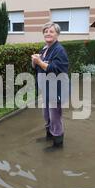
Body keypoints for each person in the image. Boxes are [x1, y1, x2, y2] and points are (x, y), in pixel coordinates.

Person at [32, 22, 69, 151]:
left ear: (57, 34)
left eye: (51, 31)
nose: (48, 33)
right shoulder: (44, 49)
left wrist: (40, 62)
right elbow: (38, 67)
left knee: (55, 117)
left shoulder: (59, 50)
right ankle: (49, 136)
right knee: (46, 115)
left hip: (56, 90)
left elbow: (56, 69)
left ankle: (58, 143)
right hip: (46, 90)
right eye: (46, 31)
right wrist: (35, 61)